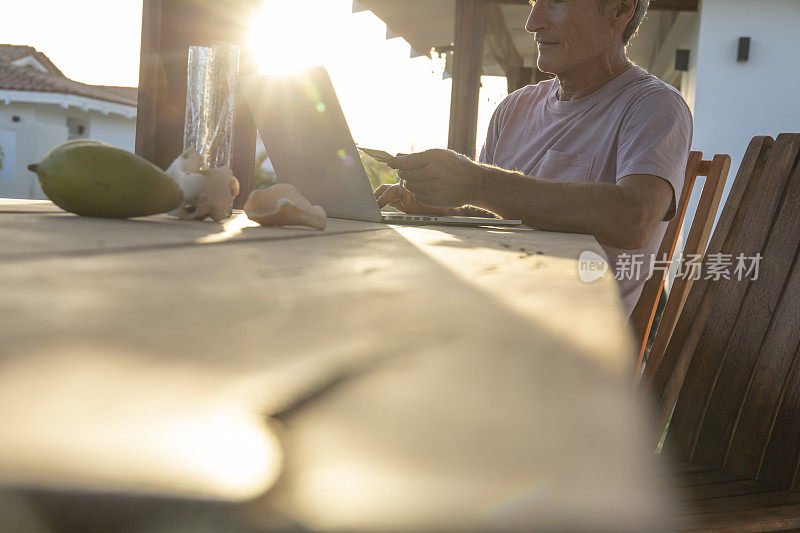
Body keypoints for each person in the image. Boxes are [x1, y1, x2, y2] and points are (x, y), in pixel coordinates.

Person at [374, 0, 692, 317]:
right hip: (491, 300)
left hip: (572, 334)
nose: (532, 22)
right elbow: (497, 212)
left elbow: (634, 219)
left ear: (620, 9)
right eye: (532, 1)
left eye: (555, 2)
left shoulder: (654, 105)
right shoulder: (513, 109)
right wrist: (443, 207)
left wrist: (477, 182)